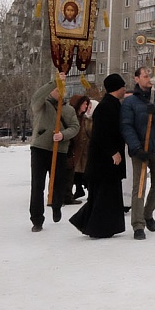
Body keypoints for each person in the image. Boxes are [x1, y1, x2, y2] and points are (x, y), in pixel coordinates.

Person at [120, 66, 155, 240]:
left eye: (150, 76)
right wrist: (136, 147)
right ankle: (138, 224)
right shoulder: (130, 102)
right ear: (137, 79)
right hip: (140, 150)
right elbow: (126, 125)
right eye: (145, 76)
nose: (148, 78)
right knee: (139, 186)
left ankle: (147, 212)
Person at [69, 74, 128, 239]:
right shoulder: (106, 107)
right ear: (117, 88)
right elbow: (100, 134)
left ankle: (98, 225)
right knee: (103, 194)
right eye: (123, 86)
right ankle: (98, 227)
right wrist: (113, 152)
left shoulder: (113, 104)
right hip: (104, 161)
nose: (125, 88)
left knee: (106, 195)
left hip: (106, 161)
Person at [28, 75, 80, 232]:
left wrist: (63, 135)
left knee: (58, 182)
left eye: (62, 89)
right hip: (40, 148)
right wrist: (54, 82)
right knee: (37, 185)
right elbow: (36, 97)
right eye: (57, 89)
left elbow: (75, 127)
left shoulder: (69, 110)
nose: (60, 92)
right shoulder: (42, 105)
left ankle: (57, 205)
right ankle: (37, 219)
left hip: (60, 150)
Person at [63, 94, 93, 204]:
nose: (86, 107)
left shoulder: (85, 120)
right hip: (72, 150)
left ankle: (78, 192)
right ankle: (67, 195)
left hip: (83, 151)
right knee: (71, 173)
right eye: (84, 104)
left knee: (84, 173)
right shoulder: (71, 118)